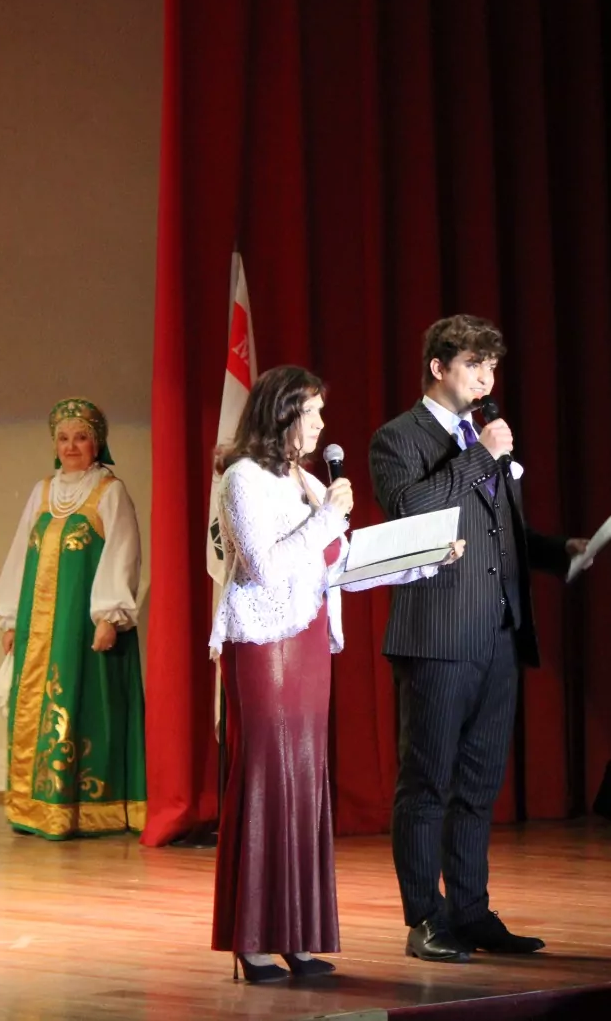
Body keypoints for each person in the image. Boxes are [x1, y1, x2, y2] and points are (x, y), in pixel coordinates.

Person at [209, 365, 465, 985]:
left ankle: (296, 936)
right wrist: (328, 516)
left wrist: (424, 560)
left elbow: (341, 564)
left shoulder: (305, 480)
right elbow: (266, 567)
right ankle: (253, 941)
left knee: (303, 785)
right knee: (268, 782)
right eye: (314, 413)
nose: (323, 424)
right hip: (265, 646)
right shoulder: (242, 479)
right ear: (284, 415)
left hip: (307, 645)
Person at [369, 315, 588, 962]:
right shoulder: (398, 438)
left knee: (477, 785)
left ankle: (470, 912)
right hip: (437, 636)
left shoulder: (483, 436)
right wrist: (481, 456)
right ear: (438, 368)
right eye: (473, 365)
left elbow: (502, 532)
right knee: (426, 784)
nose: (486, 379)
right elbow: (408, 511)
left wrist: (558, 552)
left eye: (492, 367)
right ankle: (424, 918)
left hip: (498, 634)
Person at [0, 397, 146, 840]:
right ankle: (32, 806)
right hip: (38, 626)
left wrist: (109, 616)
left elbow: (123, 553)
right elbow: (19, 555)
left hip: (83, 626)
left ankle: (83, 809)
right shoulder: (43, 492)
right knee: (33, 708)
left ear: (97, 443)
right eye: (63, 438)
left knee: (79, 707)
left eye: (80, 437)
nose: (71, 446)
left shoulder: (109, 492)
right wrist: (10, 619)